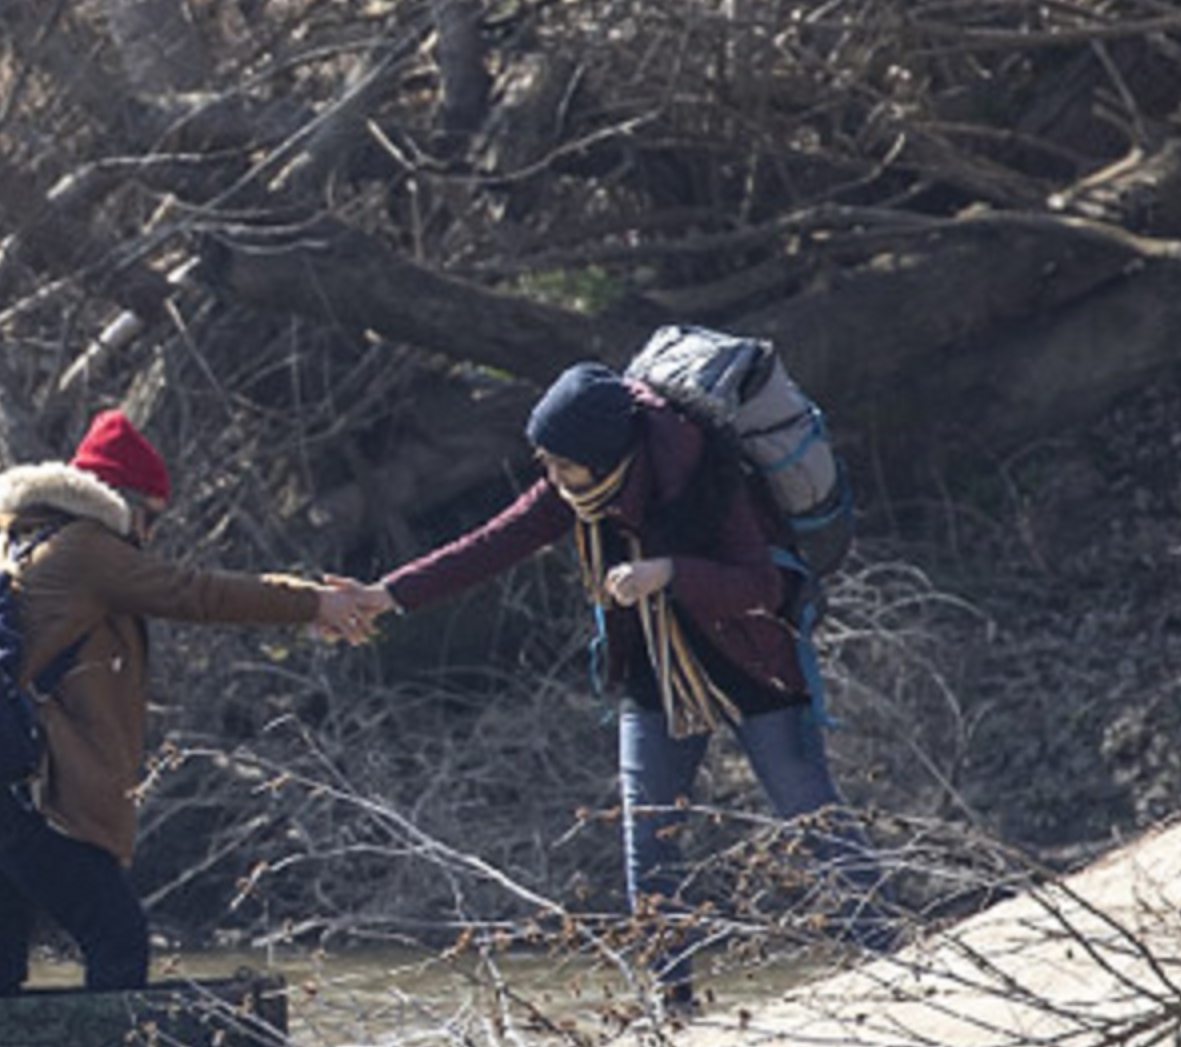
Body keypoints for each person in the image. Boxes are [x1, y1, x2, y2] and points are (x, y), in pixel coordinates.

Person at [366, 361, 871, 1004]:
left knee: (814, 821)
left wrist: (670, 572)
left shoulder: (703, 469)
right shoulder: (583, 482)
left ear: (605, 454)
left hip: (751, 663)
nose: (552, 478)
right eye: (546, 462)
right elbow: (491, 544)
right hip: (653, 670)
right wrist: (387, 596)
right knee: (648, 844)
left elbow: (763, 586)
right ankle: (672, 1009)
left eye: (561, 465)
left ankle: (892, 965)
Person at [0, 410, 388, 998]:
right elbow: (197, 593)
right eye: (150, 519)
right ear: (117, 502)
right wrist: (311, 603)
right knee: (115, 935)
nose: (148, 537)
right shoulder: (88, 547)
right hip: (11, 792)